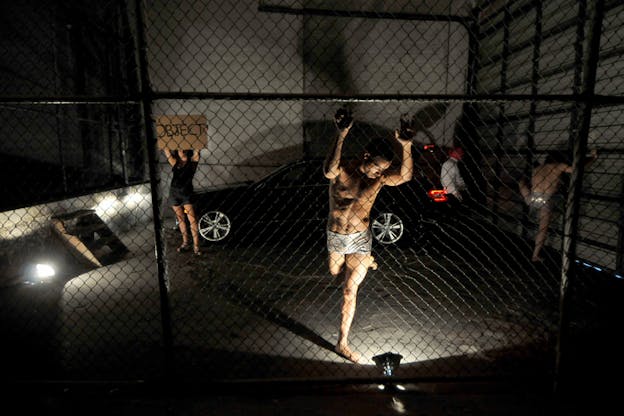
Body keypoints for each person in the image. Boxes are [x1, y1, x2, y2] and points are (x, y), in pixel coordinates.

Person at [323, 108, 413, 363]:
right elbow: (328, 170)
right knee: (334, 273)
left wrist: (406, 146)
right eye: (375, 167)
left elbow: (405, 176)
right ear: (365, 156)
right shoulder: (343, 172)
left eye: (382, 169)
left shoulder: (380, 179)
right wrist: (341, 135)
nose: (377, 173)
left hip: (361, 238)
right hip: (338, 236)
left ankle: (342, 343)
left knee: (349, 291)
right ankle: (359, 264)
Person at [519, 148, 598, 262]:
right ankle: (535, 255)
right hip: (545, 200)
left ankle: (523, 190)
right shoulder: (558, 166)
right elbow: (578, 169)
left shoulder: (537, 168)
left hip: (532, 198)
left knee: (521, 182)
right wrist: (593, 158)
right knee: (542, 229)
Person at [164, 148, 201, 256]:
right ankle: (185, 243)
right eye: (180, 149)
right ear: (177, 152)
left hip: (186, 194)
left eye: (184, 149)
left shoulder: (192, 162)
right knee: (180, 219)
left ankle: (196, 246)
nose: (182, 151)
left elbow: (197, 150)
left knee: (192, 219)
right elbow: (166, 152)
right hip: (174, 193)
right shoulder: (175, 163)